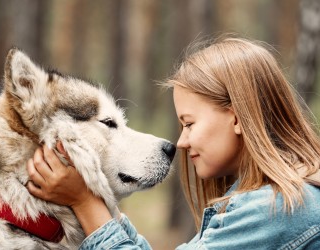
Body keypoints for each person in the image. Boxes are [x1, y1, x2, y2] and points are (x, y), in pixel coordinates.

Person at [26, 36, 320, 249]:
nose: (180, 141)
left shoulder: (278, 208)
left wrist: (85, 202)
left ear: (236, 118)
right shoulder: (284, 196)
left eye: (189, 124)